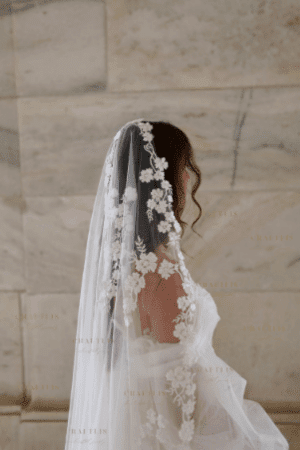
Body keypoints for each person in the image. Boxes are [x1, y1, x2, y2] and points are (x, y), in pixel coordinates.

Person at [64, 119, 289, 449]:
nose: (188, 179)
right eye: (184, 167)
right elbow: (177, 394)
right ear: (162, 178)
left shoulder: (126, 270)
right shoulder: (162, 279)